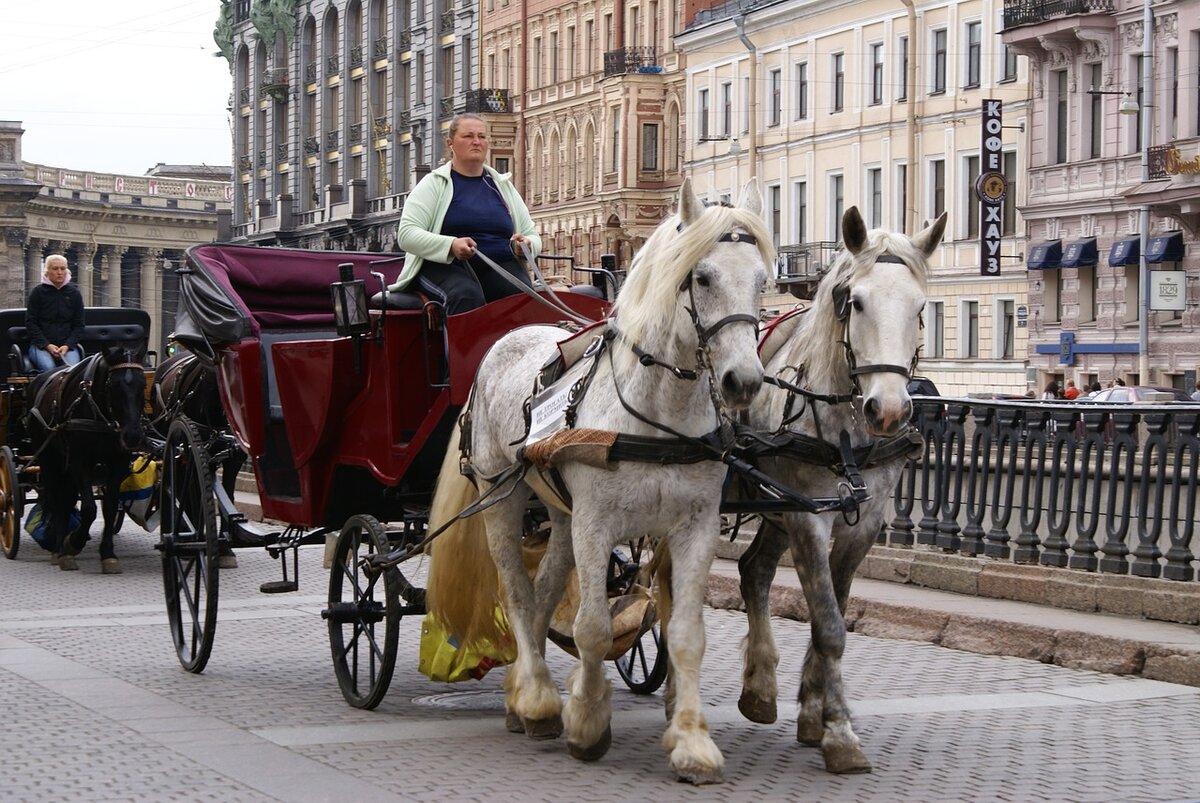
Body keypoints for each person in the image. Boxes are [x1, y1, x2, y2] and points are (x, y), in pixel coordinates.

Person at [390, 113, 541, 315]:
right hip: (444, 266)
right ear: (450, 143)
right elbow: (407, 235)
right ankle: (461, 347)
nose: (477, 142)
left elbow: (532, 235)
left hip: (498, 263)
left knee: (521, 295)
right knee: (465, 295)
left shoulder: (502, 186)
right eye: (468, 136)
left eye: (482, 136)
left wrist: (526, 245)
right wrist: (450, 245)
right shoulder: (433, 184)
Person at [26, 254, 85, 373]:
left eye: (63, 269)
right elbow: (31, 323)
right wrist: (47, 345)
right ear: (47, 271)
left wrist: (67, 345)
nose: (59, 272)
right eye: (55, 268)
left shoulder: (74, 293)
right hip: (41, 346)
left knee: (72, 371)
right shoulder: (38, 292)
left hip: (67, 347)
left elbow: (79, 325)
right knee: (49, 370)